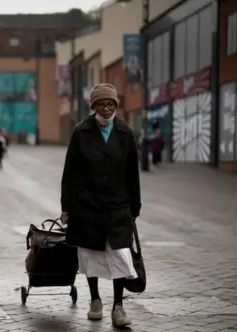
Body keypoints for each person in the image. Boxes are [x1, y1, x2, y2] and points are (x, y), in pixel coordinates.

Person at [60, 83, 141, 328]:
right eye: (101, 104)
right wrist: (66, 206)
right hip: (87, 206)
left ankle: (118, 306)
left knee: (119, 254)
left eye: (111, 104)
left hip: (118, 206)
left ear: (116, 105)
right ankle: (95, 301)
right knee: (91, 254)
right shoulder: (80, 132)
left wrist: (134, 208)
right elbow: (70, 172)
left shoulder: (125, 133)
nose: (106, 109)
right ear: (93, 106)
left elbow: (132, 174)